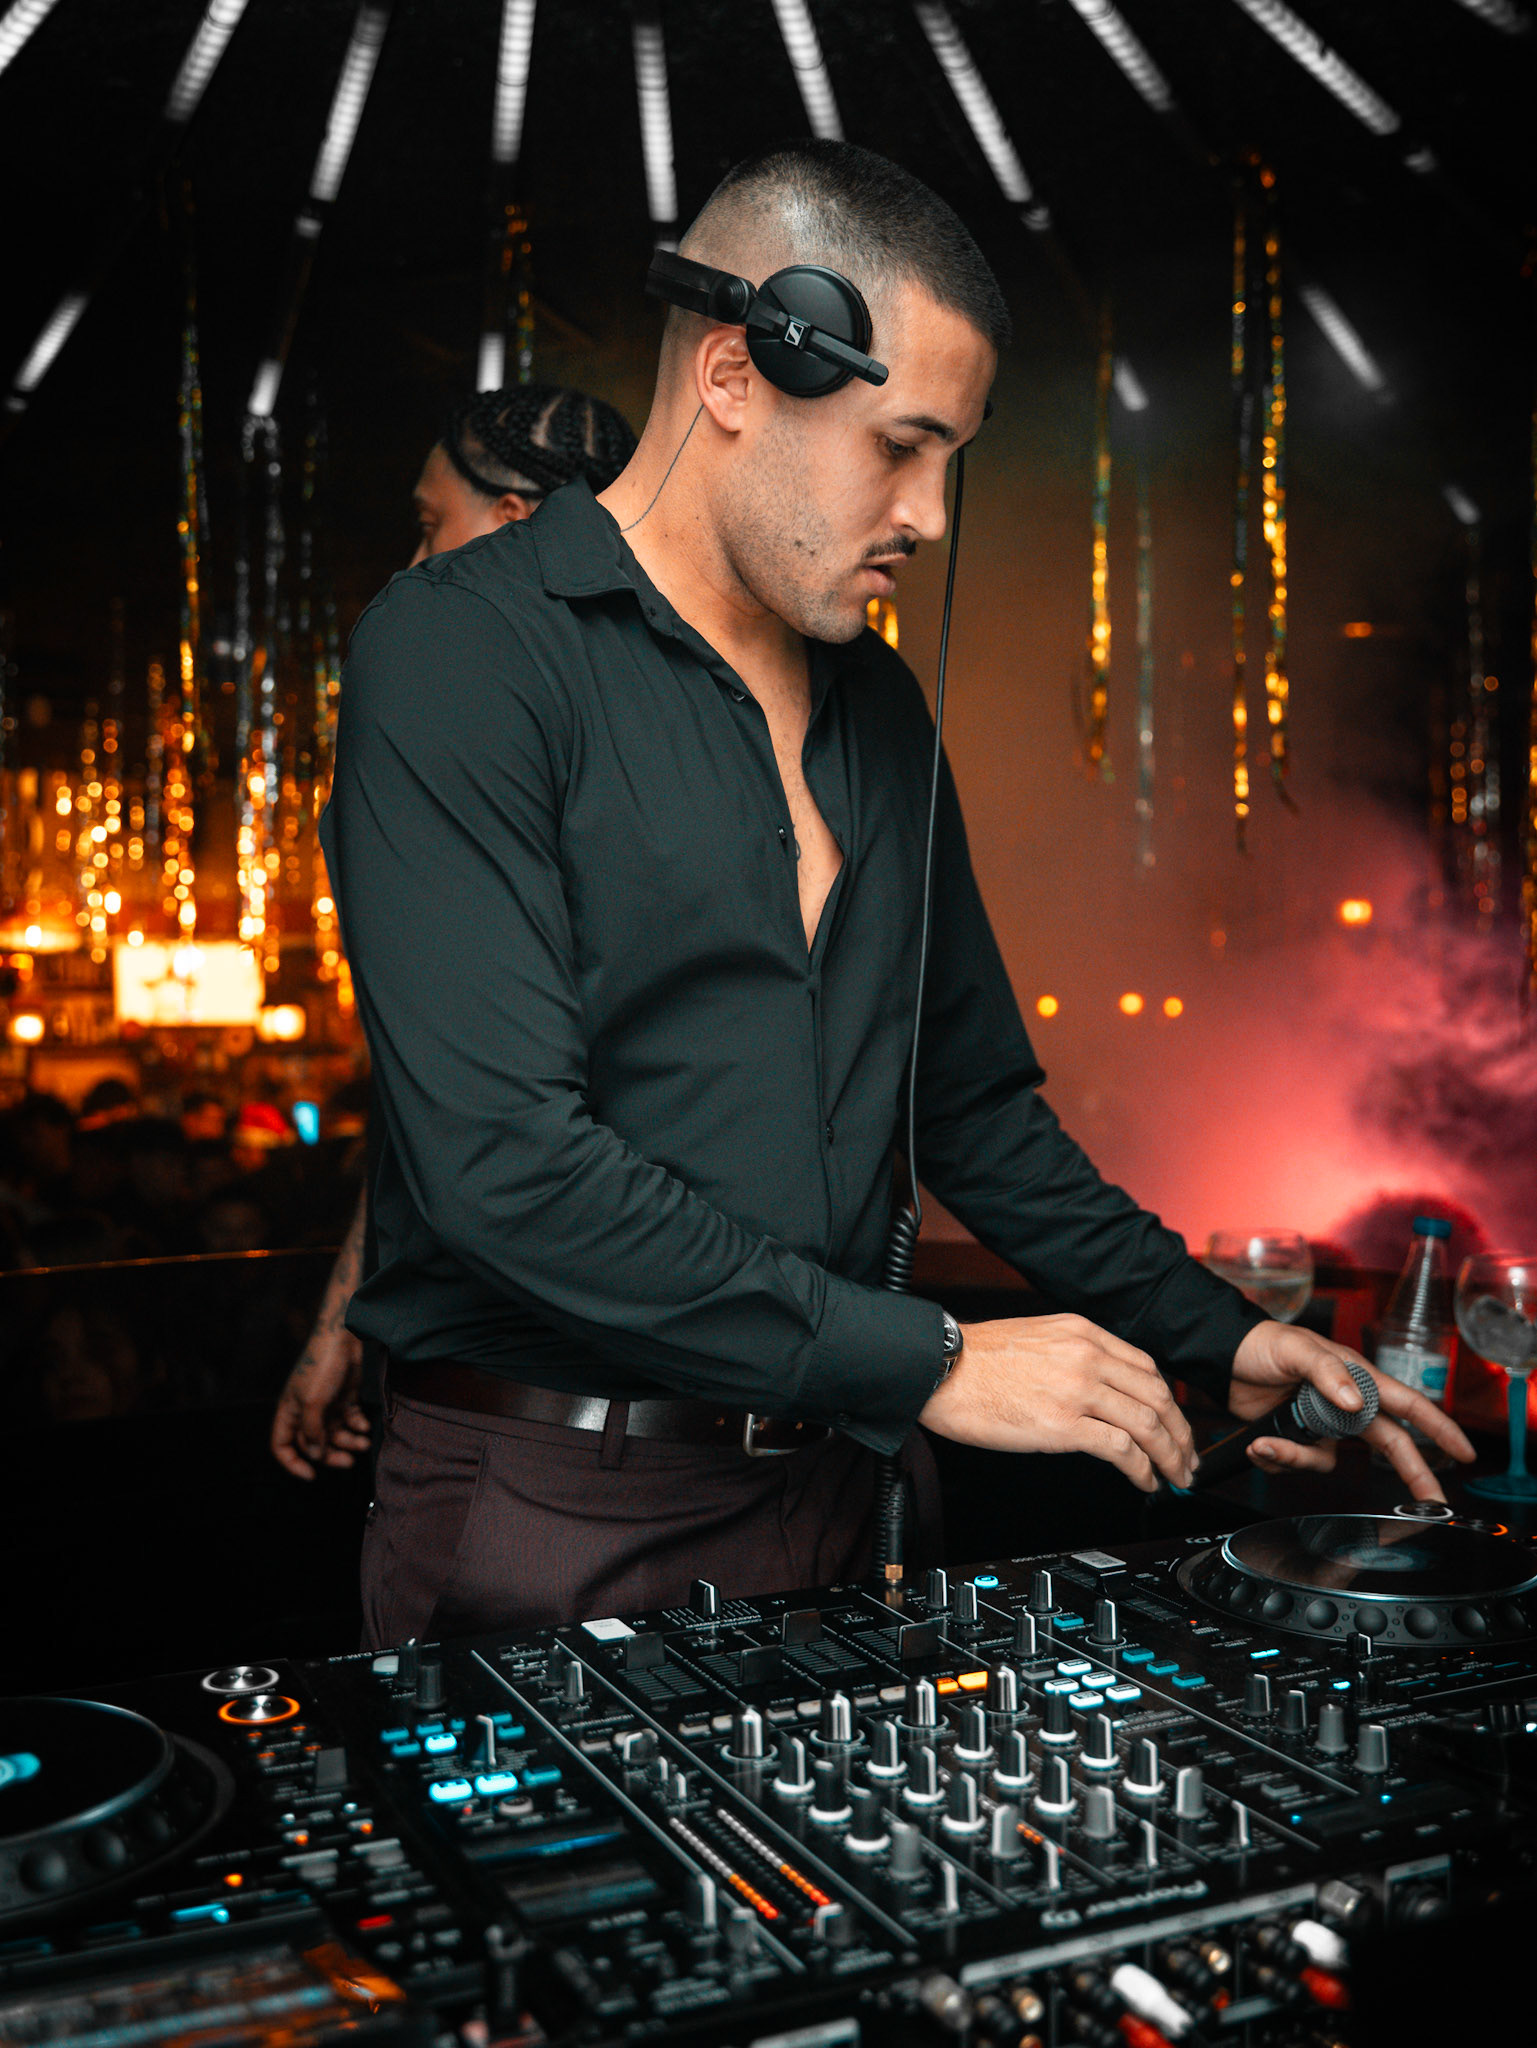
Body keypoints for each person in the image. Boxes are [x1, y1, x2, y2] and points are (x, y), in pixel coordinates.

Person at [318, 142, 1472, 1648]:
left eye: (952, 459)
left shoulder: (876, 708)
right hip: (554, 1511)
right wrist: (933, 1360)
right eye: (901, 444)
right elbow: (505, 1165)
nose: (929, 514)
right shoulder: (460, 650)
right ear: (733, 373)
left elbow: (969, 1103)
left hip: (855, 1501)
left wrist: (1223, 1336)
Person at [270, 383, 640, 1480]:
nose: (415, 560)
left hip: (525, 1411)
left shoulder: (491, 735)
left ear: (517, 522)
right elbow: (442, 1094)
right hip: (540, 1387)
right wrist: (346, 1315)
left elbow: (469, 1109)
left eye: (432, 524)